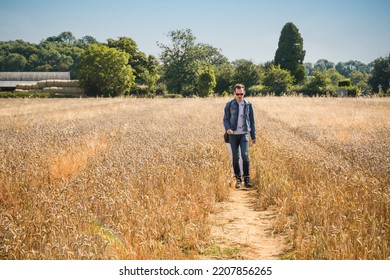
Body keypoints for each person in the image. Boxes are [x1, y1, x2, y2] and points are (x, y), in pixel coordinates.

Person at [223, 84, 256, 189]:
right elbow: (225, 119)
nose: (239, 96)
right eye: (237, 94)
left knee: (245, 155)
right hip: (233, 134)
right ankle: (238, 179)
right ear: (234, 93)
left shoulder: (248, 105)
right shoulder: (229, 105)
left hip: (244, 134)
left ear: (244, 93)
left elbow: (252, 121)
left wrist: (253, 136)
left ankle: (247, 179)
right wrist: (228, 128)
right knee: (235, 157)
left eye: (241, 94)